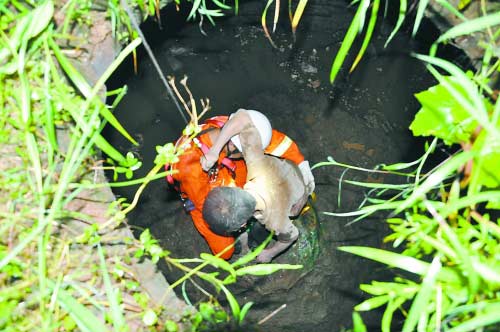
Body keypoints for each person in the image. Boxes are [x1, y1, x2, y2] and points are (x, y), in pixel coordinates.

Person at [166, 111, 315, 260]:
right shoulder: (189, 168)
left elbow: (269, 138)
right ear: (233, 146)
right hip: (200, 193)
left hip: (224, 165)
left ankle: (244, 223)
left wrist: (302, 163)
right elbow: (213, 209)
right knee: (224, 252)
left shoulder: (234, 130)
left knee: (242, 175)